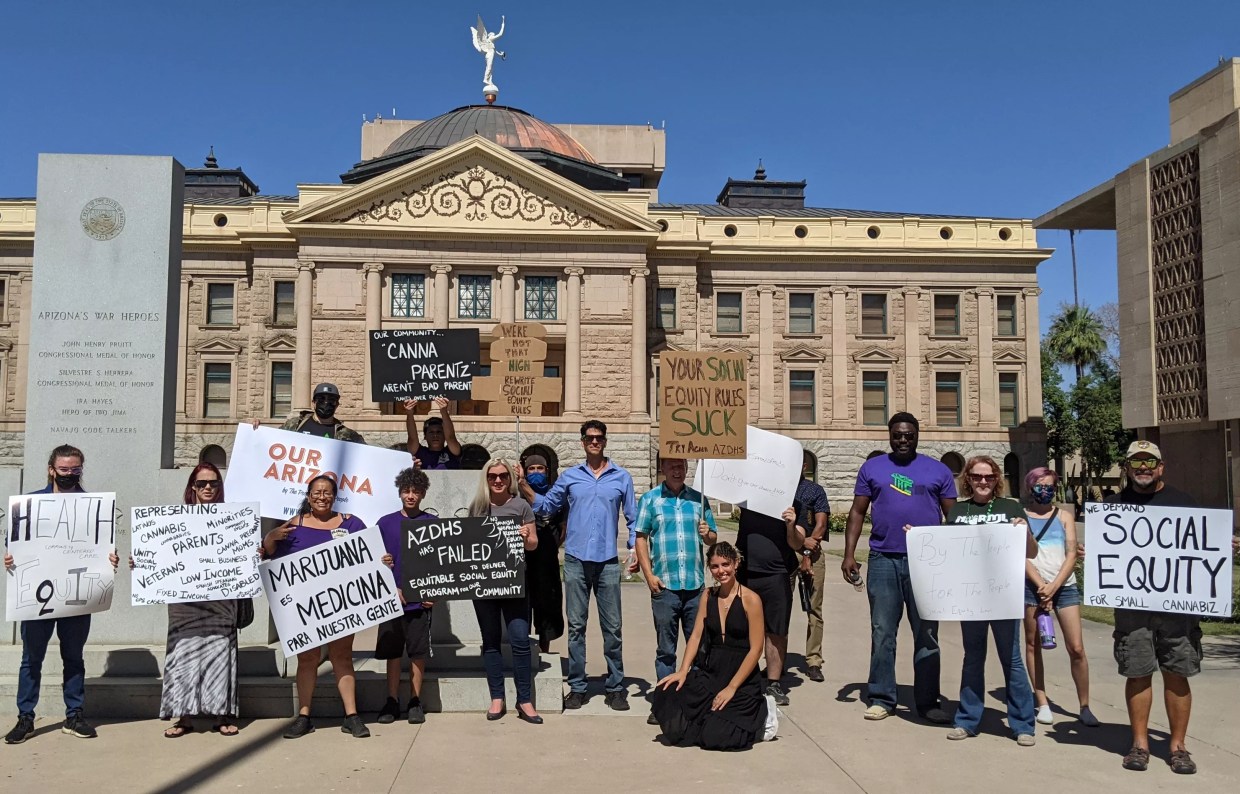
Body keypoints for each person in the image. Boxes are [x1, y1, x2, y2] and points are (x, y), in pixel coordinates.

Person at [841, 412, 955, 723]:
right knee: (882, 632)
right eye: (897, 435)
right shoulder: (873, 468)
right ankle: (881, 697)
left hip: (926, 564)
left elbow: (954, 520)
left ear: (918, 435)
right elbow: (857, 512)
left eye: (908, 435)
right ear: (889, 436)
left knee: (927, 633)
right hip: (883, 560)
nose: (903, 439)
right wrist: (849, 554)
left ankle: (928, 701)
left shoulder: (938, 471)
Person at [518, 419, 637, 711]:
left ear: (605, 441)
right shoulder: (570, 477)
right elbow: (546, 507)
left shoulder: (621, 477)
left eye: (599, 437)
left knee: (613, 628)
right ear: (582, 442)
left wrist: (634, 548)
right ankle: (578, 686)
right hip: (575, 561)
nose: (594, 442)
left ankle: (616, 686)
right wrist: (522, 485)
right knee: (576, 627)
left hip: (607, 561)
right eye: (589, 438)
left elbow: (633, 517)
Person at [4, 445, 119, 745]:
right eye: (64, 469)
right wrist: (10, 558)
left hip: (76, 596)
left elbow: (103, 549)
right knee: (31, 659)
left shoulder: (94, 507)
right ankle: (25, 717)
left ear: (82, 469)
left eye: (75, 469)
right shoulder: (30, 504)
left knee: (74, 658)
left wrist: (110, 561)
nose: (69, 474)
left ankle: (74, 715)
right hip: (35, 597)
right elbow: (13, 545)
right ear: (51, 469)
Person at [1105, 441, 1202, 775]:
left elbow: (1200, 547)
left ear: (1161, 466)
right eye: (1136, 462)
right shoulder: (1113, 506)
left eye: (1149, 462)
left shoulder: (1184, 502)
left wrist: (1219, 545)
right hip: (1133, 610)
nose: (1142, 468)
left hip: (1177, 610)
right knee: (1138, 671)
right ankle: (1139, 745)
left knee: (1177, 673)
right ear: (1128, 467)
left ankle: (1178, 748)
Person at [262, 475, 370, 739]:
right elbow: (270, 557)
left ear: (335, 496)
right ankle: (304, 716)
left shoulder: (352, 523)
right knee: (307, 659)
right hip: (306, 608)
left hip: (343, 604)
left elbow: (368, 554)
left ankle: (351, 716)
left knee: (342, 657)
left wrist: (383, 560)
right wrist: (270, 537)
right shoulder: (292, 526)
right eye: (317, 493)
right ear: (308, 496)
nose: (322, 497)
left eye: (327, 493)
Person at [943, 455, 1038, 746]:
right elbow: (944, 550)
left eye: (988, 477)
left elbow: (1031, 552)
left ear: (997, 479)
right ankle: (967, 719)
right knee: (973, 658)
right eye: (976, 477)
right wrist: (918, 537)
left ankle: (1022, 724)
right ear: (967, 479)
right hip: (971, 597)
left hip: (1004, 596)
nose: (982, 482)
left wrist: (1024, 532)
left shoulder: (1010, 507)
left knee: (1011, 659)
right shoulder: (958, 510)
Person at [652, 542, 768, 751]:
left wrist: (731, 688)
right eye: (715, 566)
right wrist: (682, 671)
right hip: (712, 671)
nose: (721, 571)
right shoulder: (708, 595)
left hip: (741, 678)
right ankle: (710, 717)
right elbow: (696, 636)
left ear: (736, 563)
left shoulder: (751, 600)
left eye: (726, 564)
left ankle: (761, 713)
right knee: (665, 692)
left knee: (716, 737)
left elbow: (756, 650)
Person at [158, 463, 244, 738]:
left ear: (220, 487)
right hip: (185, 605)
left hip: (221, 600)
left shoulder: (233, 518)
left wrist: (250, 553)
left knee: (220, 653)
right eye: (201, 483)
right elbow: (159, 554)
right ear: (192, 487)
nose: (208, 487)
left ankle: (221, 714)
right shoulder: (173, 518)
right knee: (183, 653)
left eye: (213, 483)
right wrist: (143, 563)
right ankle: (183, 716)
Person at [635, 457, 718, 724]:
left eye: (681, 465)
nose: (677, 469)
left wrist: (708, 533)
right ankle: (665, 704)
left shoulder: (699, 500)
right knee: (666, 650)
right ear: (662, 468)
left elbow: (712, 537)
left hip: (695, 586)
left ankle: (694, 701)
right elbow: (640, 537)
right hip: (665, 586)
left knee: (699, 650)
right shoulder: (650, 499)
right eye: (671, 465)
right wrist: (648, 575)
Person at [1022, 466, 1098, 728]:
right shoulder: (1020, 518)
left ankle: (1084, 705)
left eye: (1050, 487)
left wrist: (1053, 586)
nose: (1046, 491)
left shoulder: (1064, 516)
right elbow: (1020, 556)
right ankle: (1041, 700)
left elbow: (1071, 554)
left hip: (1064, 586)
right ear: (1030, 488)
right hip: (1032, 586)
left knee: (1076, 647)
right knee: (1034, 644)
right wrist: (1041, 585)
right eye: (1040, 486)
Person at [470, 459, 541, 724]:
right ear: (485, 479)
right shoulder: (478, 507)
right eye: (492, 476)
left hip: (514, 582)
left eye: (502, 476)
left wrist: (525, 537)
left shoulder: (521, 505)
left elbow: (533, 544)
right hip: (484, 585)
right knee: (490, 642)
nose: (498, 480)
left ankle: (524, 699)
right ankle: (497, 698)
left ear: (510, 477)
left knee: (521, 641)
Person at [375, 467, 435, 726]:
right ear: (400, 492)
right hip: (391, 600)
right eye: (406, 491)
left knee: (417, 653)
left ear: (422, 494)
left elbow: (440, 564)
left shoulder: (431, 523)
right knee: (392, 652)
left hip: (419, 602)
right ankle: (391, 700)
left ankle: (414, 700)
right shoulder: (385, 522)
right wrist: (383, 564)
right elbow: (371, 561)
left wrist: (433, 593)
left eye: (416, 491)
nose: (411, 495)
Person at [735, 503, 805, 707]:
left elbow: (797, 543)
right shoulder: (747, 492)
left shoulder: (794, 500)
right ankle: (743, 678)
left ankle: (773, 683)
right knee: (741, 628)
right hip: (745, 571)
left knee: (776, 630)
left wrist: (791, 525)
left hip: (777, 573)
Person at [520, 452, 565, 653]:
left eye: (540, 469)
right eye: (531, 469)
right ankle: (523, 650)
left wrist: (552, 544)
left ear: (547, 472)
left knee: (547, 608)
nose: (536, 472)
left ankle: (544, 651)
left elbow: (563, 528)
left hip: (546, 562)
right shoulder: (517, 496)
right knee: (522, 608)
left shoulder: (556, 495)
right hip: (522, 562)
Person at [794, 451, 831, 683]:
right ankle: (774, 662)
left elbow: (821, 523)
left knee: (814, 609)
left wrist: (807, 552)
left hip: (812, 552)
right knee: (779, 609)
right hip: (784, 553)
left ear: (805, 465)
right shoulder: (777, 490)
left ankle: (814, 660)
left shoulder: (814, 490)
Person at [278, 382, 365, 443]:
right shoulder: (293, 425)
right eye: (321, 399)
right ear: (313, 403)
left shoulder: (348, 436)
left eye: (331, 400)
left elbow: (367, 457)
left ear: (337, 404)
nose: (326, 403)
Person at [405, 397, 461, 470]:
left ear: (445, 435)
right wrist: (409, 413)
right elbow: (412, 438)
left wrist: (444, 411)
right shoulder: (420, 453)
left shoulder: (452, 452)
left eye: (439, 432)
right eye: (431, 432)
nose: (435, 435)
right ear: (425, 436)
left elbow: (451, 437)